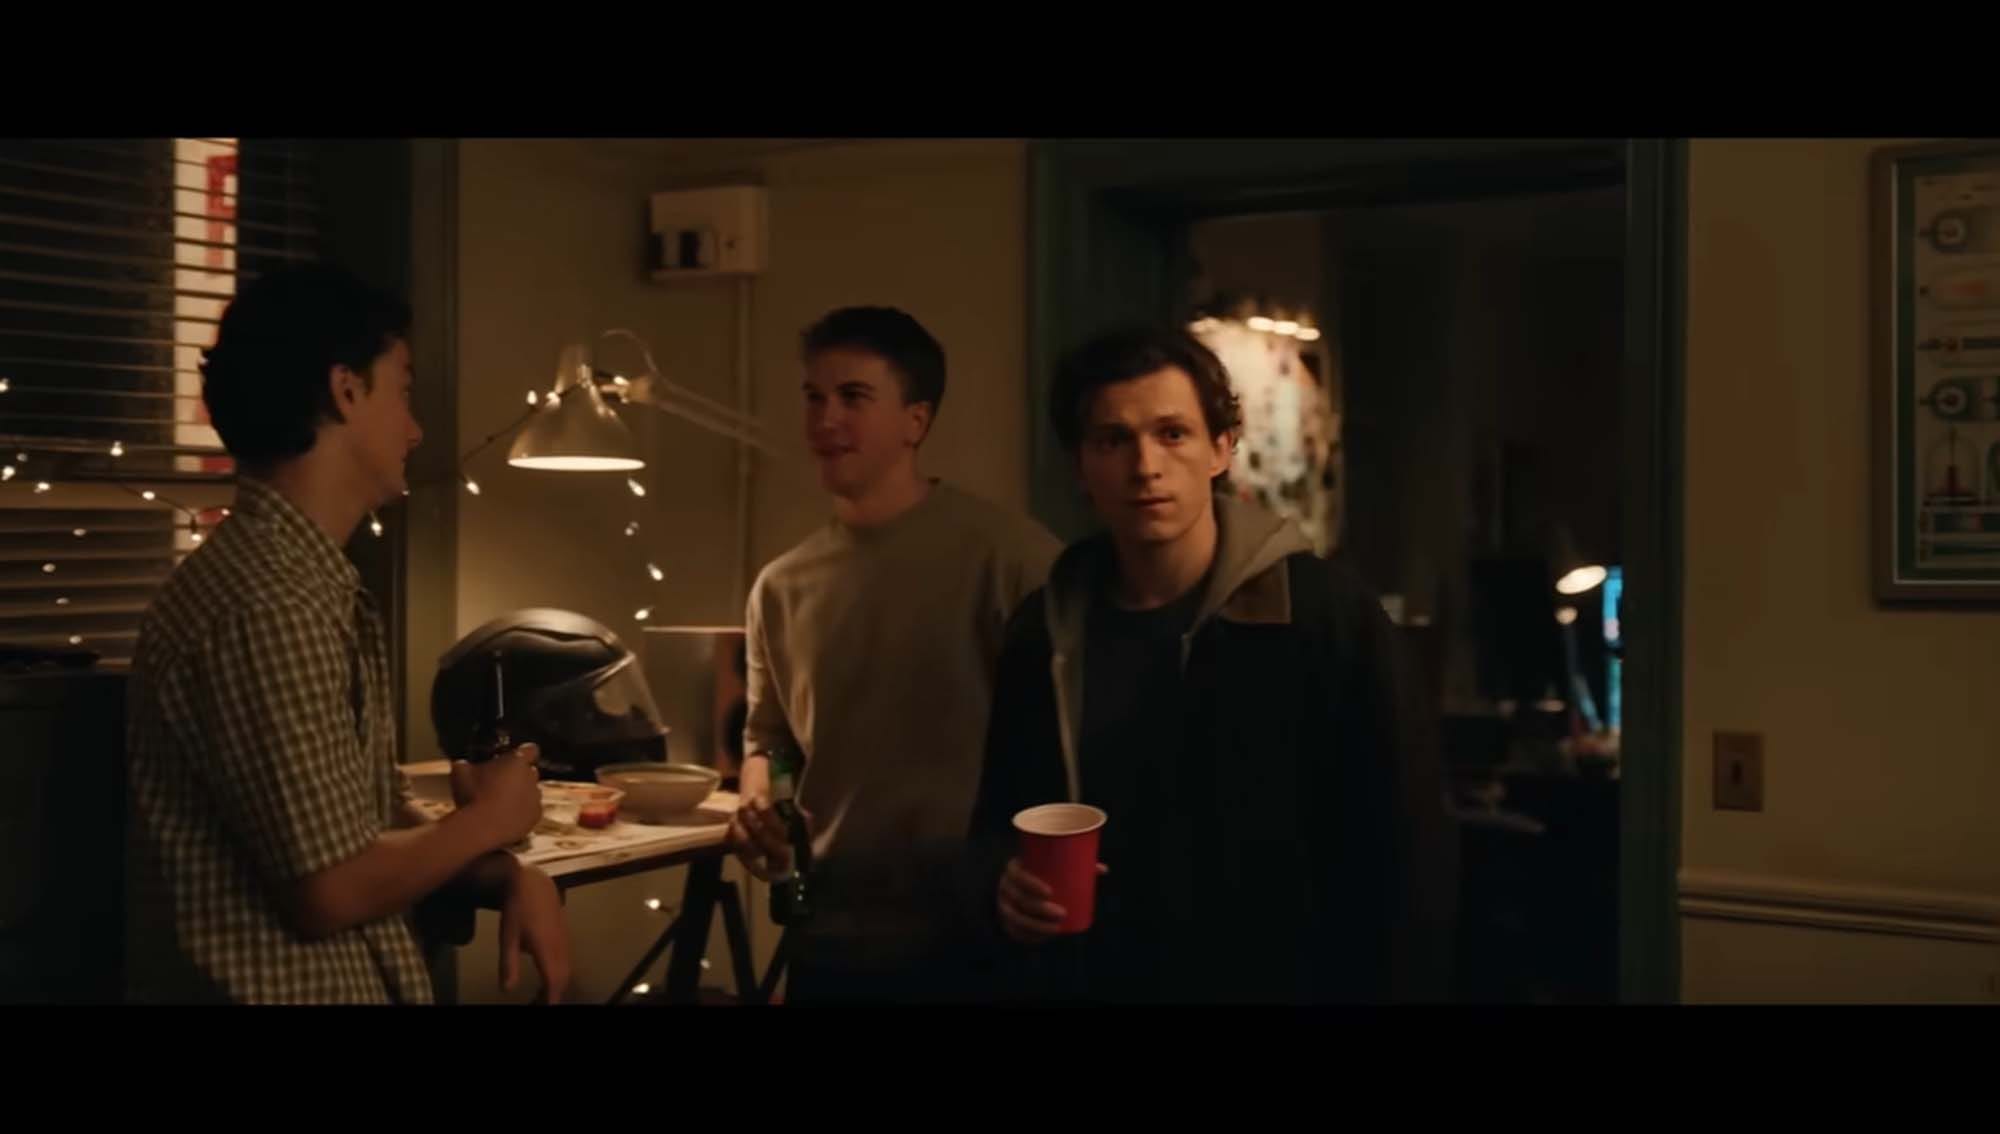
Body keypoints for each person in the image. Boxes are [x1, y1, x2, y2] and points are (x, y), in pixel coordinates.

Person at [126, 263, 570, 1004]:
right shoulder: (267, 603)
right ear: (346, 391)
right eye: (403, 391)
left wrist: (506, 872)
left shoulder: (307, 585)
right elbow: (328, 889)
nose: (415, 429)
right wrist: (492, 818)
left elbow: (361, 830)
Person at [969, 324, 1413, 1003]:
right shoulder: (1049, 626)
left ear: (1221, 448)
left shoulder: (1322, 615)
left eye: (1172, 433)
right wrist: (1004, 886)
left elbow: (1402, 848)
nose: (1145, 465)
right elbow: (1000, 815)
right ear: (1081, 466)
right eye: (1113, 440)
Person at [728, 306, 1060, 1002]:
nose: (826, 419)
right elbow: (771, 741)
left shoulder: (1012, 561)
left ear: (916, 420)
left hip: (977, 934)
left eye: (853, 396)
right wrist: (761, 806)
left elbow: (1071, 745)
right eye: (814, 396)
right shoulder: (781, 587)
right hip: (832, 935)